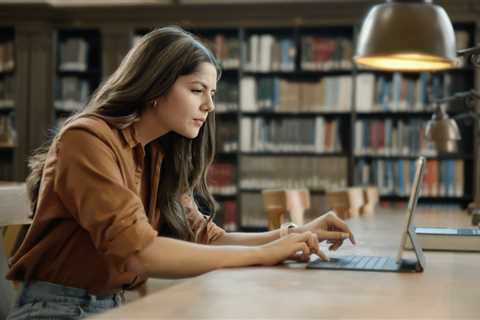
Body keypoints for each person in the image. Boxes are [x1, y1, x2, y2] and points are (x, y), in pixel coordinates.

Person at [6, 26, 355, 319]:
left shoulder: (158, 152)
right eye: (197, 90)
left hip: (110, 306)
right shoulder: (87, 139)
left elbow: (207, 237)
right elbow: (137, 252)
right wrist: (263, 254)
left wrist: (288, 236)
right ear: (155, 87)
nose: (210, 105)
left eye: (212, 93)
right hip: (54, 309)